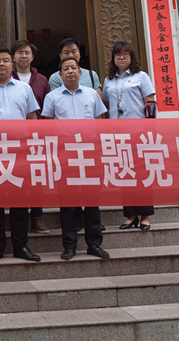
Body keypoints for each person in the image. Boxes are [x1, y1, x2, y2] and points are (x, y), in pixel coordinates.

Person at [0, 48, 41, 264]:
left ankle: (21, 246)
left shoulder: (24, 88)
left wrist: (33, 146)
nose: (1, 64)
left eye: (5, 60)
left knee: (20, 201)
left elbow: (32, 118)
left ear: (12, 65)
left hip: (19, 151)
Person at [41, 57, 110, 260]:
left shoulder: (92, 94)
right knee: (68, 203)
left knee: (92, 201)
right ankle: (69, 246)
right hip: (66, 155)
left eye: (73, 68)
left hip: (89, 154)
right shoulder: (52, 97)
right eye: (66, 69)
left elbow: (99, 122)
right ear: (60, 75)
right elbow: (47, 126)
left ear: (80, 72)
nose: (70, 71)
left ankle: (94, 243)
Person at [103, 41, 156, 230]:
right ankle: (130, 215)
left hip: (138, 132)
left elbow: (150, 102)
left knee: (142, 174)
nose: (121, 57)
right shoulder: (109, 80)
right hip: (118, 134)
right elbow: (107, 102)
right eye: (118, 54)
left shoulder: (141, 76)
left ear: (131, 57)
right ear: (113, 58)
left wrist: (150, 127)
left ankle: (145, 216)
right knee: (126, 173)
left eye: (125, 54)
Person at [10, 39, 51, 234]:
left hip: (37, 135)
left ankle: (36, 218)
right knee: (13, 176)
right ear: (14, 57)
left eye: (27, 52)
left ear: (32, 57)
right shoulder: (6, 77)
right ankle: (16, 219)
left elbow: (48, 107)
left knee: (35, 178)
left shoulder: (42, 80)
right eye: (19, 52)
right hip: (12, 137)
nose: (23, 56)